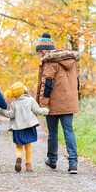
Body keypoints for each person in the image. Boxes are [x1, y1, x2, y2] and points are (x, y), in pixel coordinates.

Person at [35, 32, 80, 174]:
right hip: (69, 101)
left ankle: (52, 160)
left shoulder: (50, 62)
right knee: (69, 130)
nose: (40, 54)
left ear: (48, 49)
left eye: (41, 51)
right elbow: (76, 82)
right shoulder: (71, 61)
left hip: (53, 103)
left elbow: (46, 84)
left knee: (53, 133)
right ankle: (73, 163)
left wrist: (43, 105)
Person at [0, 82, 49, 172]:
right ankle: (28, 166)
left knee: (19, 146)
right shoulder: (31, 100)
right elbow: (37, 111)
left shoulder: (14, 103)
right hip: (29, 127)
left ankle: (19, 157)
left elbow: (11, 114)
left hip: (18, 128)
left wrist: (1, 111)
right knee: (28, 146)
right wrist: (46, 111)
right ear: (24, 91)